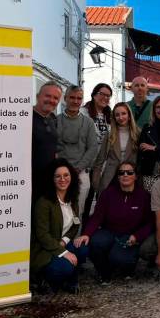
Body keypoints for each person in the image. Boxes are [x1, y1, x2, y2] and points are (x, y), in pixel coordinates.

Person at [75, 161, 155, 284]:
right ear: (117, 176)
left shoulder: (144, 196)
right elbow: (97, 217)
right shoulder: (108, 193)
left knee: (120, 258)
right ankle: (105, 273)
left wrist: (137, 236)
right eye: (121, 172)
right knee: (92, 243)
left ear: (135, 176)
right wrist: (86, 234)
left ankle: (128, 268)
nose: (125, 175)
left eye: (129, 172)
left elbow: (150, 223)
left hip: (130, 236)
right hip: (110, 232)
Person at [31, 158, 89, 293]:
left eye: (66, 175)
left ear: (72, 177)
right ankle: (45, 279)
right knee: (65, 267)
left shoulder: (72, 198)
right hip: (45, 248)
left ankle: (70, 280)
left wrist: (64, 242)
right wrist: (64, 252)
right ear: (51, 179)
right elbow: (42, 235)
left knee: (83, 249)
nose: (62, 179)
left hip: (62, 243)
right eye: (58, 176)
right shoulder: (44, 202)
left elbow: (75, 225)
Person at [56, 85, 98, 219]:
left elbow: (93, 148)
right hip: (59, 173)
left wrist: (78, 168)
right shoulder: (55, 121)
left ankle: (76, 239)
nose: (75, 101)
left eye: (79, 98)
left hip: (81, 174)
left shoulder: (88, 122)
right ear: (65, 98)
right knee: (59, 210)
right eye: (72, 97)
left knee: (77, 211)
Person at [80, 83, 113, 220]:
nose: (105, 98)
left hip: (100, 165)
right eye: (102, 94)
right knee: (82, 198)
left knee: (96, 198)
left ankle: (89, 227)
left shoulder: (109, 115)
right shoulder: (83, 112)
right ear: (94, 95)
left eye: (108, 96)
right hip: (85, 164)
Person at [93, 103, 139, 195]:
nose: (121, 117)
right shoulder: (109, 134)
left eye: (123, 113)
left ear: (129, 115)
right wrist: (96, 181)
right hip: (110, 178)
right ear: (114, 118)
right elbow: (100, 159)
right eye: (117, 115)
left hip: (130, 178)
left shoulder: (138, 134)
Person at [32, 81, 62, 202]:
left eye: (56, 98)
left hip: (48, 182)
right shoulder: (25, 117)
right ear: (38, 96)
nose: (51, 100)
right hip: (29, 183)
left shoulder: (52, 119)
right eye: (48, 96)